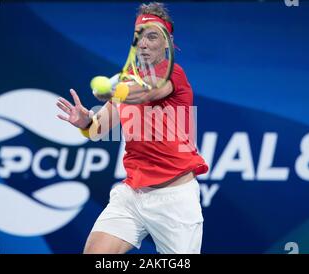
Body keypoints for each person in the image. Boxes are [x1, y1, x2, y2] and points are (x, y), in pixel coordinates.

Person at [56, 2, 208, 254]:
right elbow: (98, 128)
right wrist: (85, 121)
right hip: (132, 194)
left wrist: (114, 90)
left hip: (175, 198)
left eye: (152, 36)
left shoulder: (173, 74)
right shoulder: (126, 80)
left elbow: (149, 90)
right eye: (139, 36)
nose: (144, 43)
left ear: (168, 42)